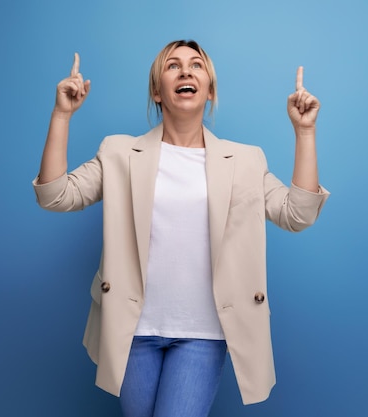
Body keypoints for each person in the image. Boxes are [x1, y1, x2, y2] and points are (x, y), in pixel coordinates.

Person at [33, 39, 329, 417]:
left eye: (196, 66)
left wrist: (305, 133)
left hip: (203, 333)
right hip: (132, 330)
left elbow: (297, 215)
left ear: (209, 90)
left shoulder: (245, 160)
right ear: (157, 91)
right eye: (173, 65)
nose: (186, 71)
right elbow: (55, 196)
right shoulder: (119, 153)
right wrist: (62, 116)